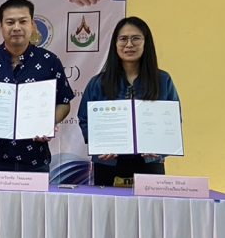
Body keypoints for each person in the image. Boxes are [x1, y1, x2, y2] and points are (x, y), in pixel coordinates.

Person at [0, 0, 74, 172]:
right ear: (1, 26)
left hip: (35, 157)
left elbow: (64, 102)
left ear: (33, 25)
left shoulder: (49, 61)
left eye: (23, 21)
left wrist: (48, 123)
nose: (16, 27)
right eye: (10, 22)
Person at [77, 16, 180, 186]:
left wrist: (160, 150)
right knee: (107, 204)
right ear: (115, 44)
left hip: (150, 164)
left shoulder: (162, 80)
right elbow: (84, 119)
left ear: (146, 43)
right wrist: (100, 145)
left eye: (136, 38)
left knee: (148, 204)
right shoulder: (98, 82)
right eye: (123, 39)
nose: (129, 44)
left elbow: (173, 121)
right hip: (108, 163)